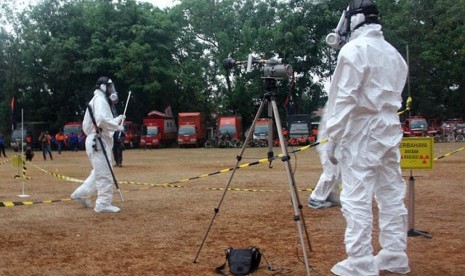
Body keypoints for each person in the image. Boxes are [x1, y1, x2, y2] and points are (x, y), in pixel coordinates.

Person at [324, 1, 410, 275]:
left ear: (355, 19)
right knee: (391, 194)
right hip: (389, 128)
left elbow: (345, 98)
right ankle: (395, 254)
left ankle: (360, 261)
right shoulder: (395, 54)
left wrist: (333, 137)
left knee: (356, 196)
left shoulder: (353, 51)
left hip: (362, 130)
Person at [71, 76, 125, 213]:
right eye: (109, 87)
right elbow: (101, 121)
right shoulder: (100, 100)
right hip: (98, 141)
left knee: (99, 173)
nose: (111, 90)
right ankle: (103, 204)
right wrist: (116, 126)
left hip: (97, 141)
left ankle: (79, 194)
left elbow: (101, 120)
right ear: (102, 87)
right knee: (105, 174)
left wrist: (117, 120)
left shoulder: (98, 100)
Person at [308, 105, 341, 209]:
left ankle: (327, 194)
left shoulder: (335, 106)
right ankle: (316, 198)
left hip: (334, 144)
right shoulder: (335, 108)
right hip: (328, 144)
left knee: (338, 172)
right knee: (331, 172)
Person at [109, 92, 125, 167]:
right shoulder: (112, 128)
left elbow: (123, 135)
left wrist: (121, 138)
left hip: (119, 141)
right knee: (114, 151)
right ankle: (116, 162)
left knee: (119, 151)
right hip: (113, 140)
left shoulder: (119, 127)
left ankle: (120, 162)